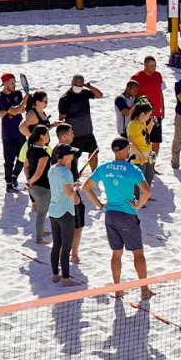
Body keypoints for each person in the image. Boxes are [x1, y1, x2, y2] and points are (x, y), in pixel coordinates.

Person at [83, 137, 153, 299]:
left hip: (110, 215)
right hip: (127, 215)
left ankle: (118, 289)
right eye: (128, 148)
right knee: (138, 253)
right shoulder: (132, 169)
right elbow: (147, 191)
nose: (129, 150)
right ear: (123, 150)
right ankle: (144, 290)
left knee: (116, 253)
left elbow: (86, 188)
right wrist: (138, 205)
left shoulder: (104, 167)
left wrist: (100, 205)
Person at [47, 143, 82, 287]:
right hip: (65, 213)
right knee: (66, 247)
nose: (73, 156)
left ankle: (55, 274)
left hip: (54, 211)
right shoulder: (66, 173)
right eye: (71, 154)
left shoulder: (52, 169)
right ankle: (66, 279)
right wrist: (75, 187)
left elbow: (62, 189)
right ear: (64, 156)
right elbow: (69, 194)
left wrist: (71, 186)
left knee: (56, 245)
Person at [57, 74, 103, 173]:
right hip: (75, 134)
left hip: (88, 131)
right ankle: (74, 175)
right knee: (74, 156)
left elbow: (99, 95)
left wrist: (89, 86)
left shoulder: (84, 93)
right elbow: (61, 117)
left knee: (94, 152)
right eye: (76, 85)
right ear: (72, 83)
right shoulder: (65, 98)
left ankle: (94, 173)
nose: (78, 88)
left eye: (80, 86)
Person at [55, 123, 85, 264]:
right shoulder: (65, 155)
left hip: (59, 195)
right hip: (69, 193)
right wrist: (75, 195)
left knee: (64, 229)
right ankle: (72, 255)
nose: (73, 135)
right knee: (75, 228)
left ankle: (70, 256)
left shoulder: (57, 152)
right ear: (64, 136)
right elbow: (65, 176)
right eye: (71, 133)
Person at [0, 73, 28, 193]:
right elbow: (15, 111)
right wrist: (23, 103)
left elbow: (22, 110)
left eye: (15, 83)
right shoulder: (0, 97)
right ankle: (9, 183)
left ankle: (14, 176)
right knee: (9, 160)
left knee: (23, 156)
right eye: (12, 83)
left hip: (20, 130)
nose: (14, 85)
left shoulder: (18, 94)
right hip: (8, 133)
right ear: (4, 83)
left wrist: (20, 106)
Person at [131, 56, 165, 156]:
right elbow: (133, 97)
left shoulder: (158, 75)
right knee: (142, 142)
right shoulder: (136, 77)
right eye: (151, 65)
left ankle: (152, 167)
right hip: (143, 117)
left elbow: (160, 93)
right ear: (145, 64)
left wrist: (163, 109)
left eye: (155, 65)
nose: (154, 68)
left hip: (156, 115)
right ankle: (141, 165)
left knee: (156, 142)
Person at [26, 125, 52, 243]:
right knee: (42, 213)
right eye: (47, 134)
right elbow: (39, 172)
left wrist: (29, 180)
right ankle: (39, 238)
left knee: (41, 213)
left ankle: (40, 232)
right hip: (42, 187)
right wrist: (30, 181)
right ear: (41, 136)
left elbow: (26, 167)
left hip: (32, 187)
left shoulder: (30, 149)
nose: (48, 137)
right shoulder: (43, 154)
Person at [126, 102, 156, 186]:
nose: (149, 117)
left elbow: (145, 136)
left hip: (147, 157)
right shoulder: (133, 125)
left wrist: (151, 124)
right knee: (138, 182)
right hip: (139, 159)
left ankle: (146, 197)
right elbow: (130, 143)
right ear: (142, 114)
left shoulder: (142, 123)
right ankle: (137, 198)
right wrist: (141, 155)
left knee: (148, 178)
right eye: (148, 115)